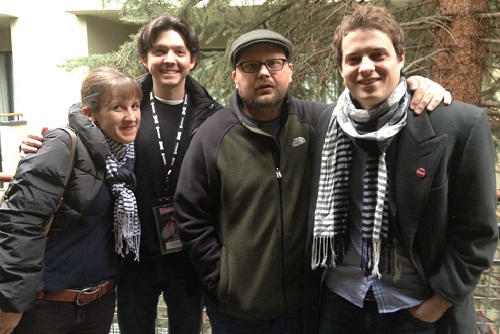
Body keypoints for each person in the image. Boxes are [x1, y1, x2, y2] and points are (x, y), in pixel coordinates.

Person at [173, 28, 452, 333]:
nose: (264, 72)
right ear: (235, 76)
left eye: (274, 63)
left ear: (290, 71)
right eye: (250, 66)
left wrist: (416, 85)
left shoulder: (322, 123)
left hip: (303, 308)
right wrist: (222, 279)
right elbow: (190, 216)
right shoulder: (212, 136)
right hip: (235, 311)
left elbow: (372, 106)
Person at [19, 15, 223, 334]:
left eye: (179, 52)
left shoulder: (213, 116)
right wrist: (38, 143)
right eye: (159, 51)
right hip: (131, 257)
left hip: (187, 256)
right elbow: (81, 136)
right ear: (144, 58)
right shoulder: (123, 105)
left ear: (192, 60)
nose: (170, 59)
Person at [308, 5, 498, 334]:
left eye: (377, 55)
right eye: (353, 59)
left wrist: (436, 306)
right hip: (340, 304)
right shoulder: (325, 124)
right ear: (341, 68)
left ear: (401, 58)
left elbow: (478, 232)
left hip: (415, 311)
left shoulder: (457, 125)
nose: (366, 67)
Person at [0, 67, 142, 334]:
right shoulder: (62, 144)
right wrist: (11, 303)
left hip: (98, 305)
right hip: (44, 309)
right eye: (118, 108)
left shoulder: (127, 157)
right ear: (89, 114)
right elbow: (20, 222)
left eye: (135, 106)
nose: (131, 116)